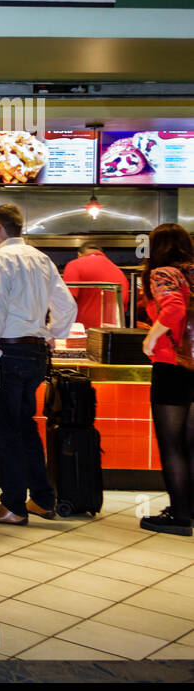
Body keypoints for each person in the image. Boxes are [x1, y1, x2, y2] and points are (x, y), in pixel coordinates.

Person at [0, 204, 77, 526]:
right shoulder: (41, 258)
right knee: (26, 425)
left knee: (5, 429)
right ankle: (44, 500)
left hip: (6, 355)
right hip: (35, 355)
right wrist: (53, 334)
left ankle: (13, 506)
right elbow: (67, 305)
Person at [139, 224, 194, 535]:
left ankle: (180, 516)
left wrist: (152, 335)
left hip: (172, 365)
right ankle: (191, 509)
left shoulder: (163, 273)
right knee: (191, 443)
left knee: (171, 445)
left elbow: (173, 308)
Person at [64, 242, 129, 328]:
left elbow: (66, 302)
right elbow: (122, 309)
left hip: (83, 332)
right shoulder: (120, 273)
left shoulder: (74, 265)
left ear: (79, 255)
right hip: (111, 335)